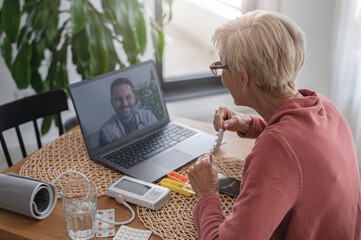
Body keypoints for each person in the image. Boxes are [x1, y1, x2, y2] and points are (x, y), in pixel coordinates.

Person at [188, 10, 361, 239]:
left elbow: (284, 151)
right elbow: (301, 147)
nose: (220, 75)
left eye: (221, 66)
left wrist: (206, 193)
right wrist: (251, 124)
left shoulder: (275, 150)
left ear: (243, 79)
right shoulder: (324, 107)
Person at [99, 78, 157, 146]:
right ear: (112, 102)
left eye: (128, 97)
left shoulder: (148, 116)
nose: (124, 104)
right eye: (119, 99)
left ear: (134, 98)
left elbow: (158, 140)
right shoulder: (106, 131)